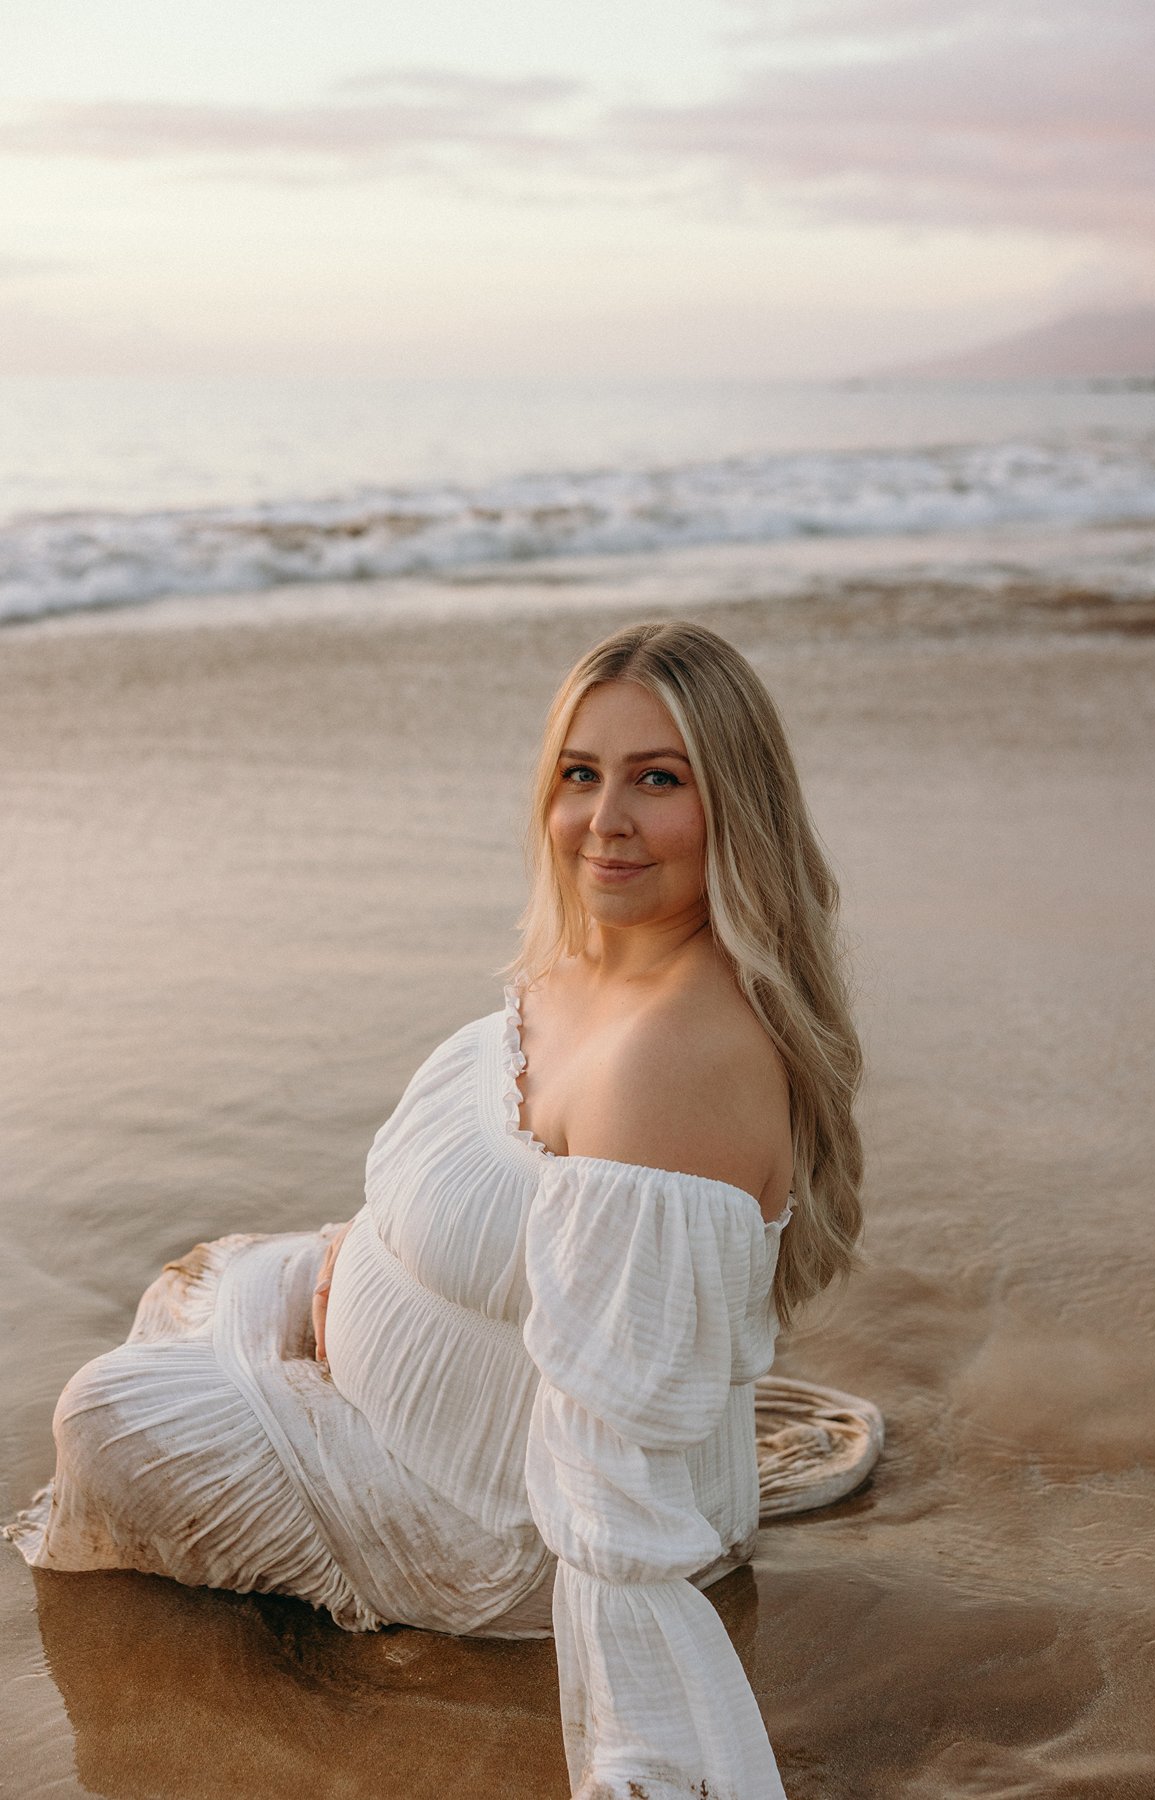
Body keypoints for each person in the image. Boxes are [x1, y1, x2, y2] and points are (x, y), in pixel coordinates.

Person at [7, 619, 869, 1799]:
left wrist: (652, 1756)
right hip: (430, 1412)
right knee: (213, 1281)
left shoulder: (670, 1061)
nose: (604, 821)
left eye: (657, 780)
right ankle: (310, 1363)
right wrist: (354, 1272)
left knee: (105, 1410)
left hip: (490, 1535)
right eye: (582, 774)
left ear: (735, 808)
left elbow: (609, 1498)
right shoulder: (601, 956)